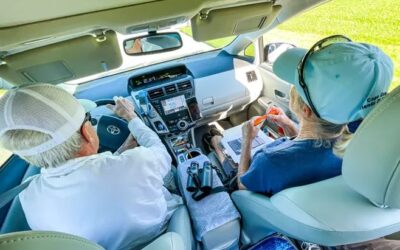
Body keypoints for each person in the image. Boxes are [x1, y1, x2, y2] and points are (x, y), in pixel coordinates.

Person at [0, 84, 182, 250]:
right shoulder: (137, 162)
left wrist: (121, 153)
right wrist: (131, 117)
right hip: (166, 236)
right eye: (88, 119)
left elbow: (90, 185)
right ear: (88, 132)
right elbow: (160, 152)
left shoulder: (28, 197)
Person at [208, 36, 393, 196]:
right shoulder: (367, 140)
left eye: (296, 84)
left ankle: (215, 143)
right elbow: (314, 147)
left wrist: (247, 140)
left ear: (305, 109)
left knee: (217, 141)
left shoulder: (272, 162)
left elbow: (243, 187)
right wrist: (288, 124)